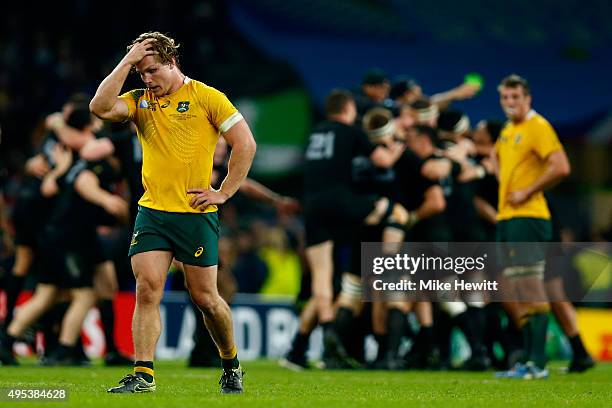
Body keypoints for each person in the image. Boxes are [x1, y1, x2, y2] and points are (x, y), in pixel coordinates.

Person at [89, 31, 256, 394]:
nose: (147, 79)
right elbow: (100, 108)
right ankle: (144, 373)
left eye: (151, 70)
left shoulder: (207, 97)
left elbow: (245, 143)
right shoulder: (139, 99)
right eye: (141, 73)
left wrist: (224, 191)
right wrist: (127, 62)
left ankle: (231, 363)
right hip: (152, 212)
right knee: (147, 289)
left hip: (194, 214)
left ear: (171, 61)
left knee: (206, 300)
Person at [493, 74, 570, 380]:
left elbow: (561, 166)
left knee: (532, 289)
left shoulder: (538, 127)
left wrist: (528, 190)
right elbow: (497, 159)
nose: (510, 103)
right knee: (518, 291)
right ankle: (527, 361)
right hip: (508, 219)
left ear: (528, 99)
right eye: (505, 98)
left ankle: (537, 364)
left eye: (516, 97)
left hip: (529, 217)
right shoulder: (509, 130)